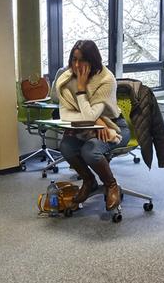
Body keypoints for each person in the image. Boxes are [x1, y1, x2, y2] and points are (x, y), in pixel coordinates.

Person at [53, 40, 131, 211]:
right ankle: (89, 181)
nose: (76, 65)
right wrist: (96, 121)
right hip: (86, 129)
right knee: (66, 146)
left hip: (114, 128)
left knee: (90, 150)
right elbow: (65, 114)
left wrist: (81, 89)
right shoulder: (66, 79)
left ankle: (111, 185)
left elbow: (88, 115)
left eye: (82, 60)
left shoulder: (106, 79)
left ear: (93, 60)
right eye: (74, 59)